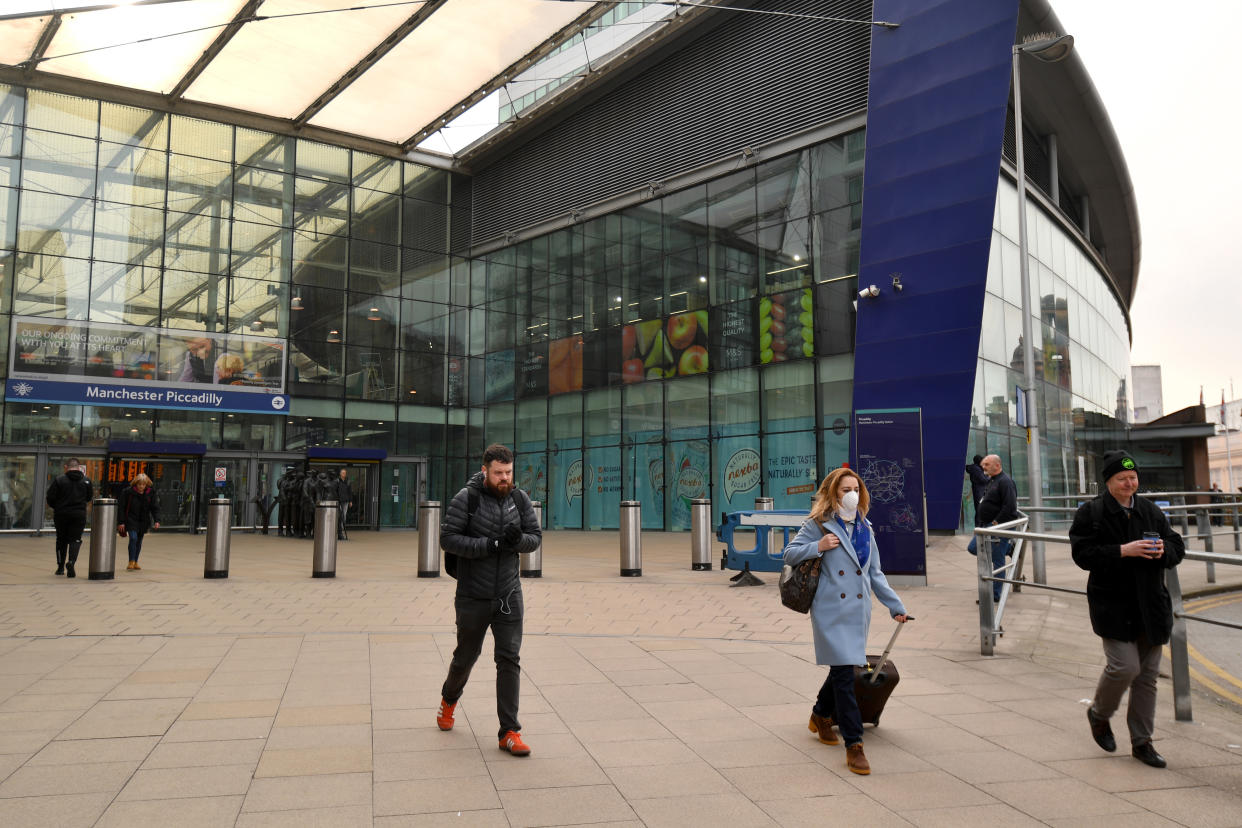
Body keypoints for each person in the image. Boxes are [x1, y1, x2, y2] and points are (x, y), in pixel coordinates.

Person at [783, 467, 910, 776]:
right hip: (830, 611)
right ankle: (854, 745)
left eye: (855, 488)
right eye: (844, 489)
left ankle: (820, 714)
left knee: (843, 667)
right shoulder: (818, 524)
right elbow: (789, 554)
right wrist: (819, 546)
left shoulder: (866, 528)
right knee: (844, 675)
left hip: (857, 612)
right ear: (833, 493)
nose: (851, 494)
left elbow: (875, 574)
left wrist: (896, 606)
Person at [1071, 450, 1184, 769]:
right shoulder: (1091, 513)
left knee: (1147, 677)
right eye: (1122, 478)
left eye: (1133, 478)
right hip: (1113, 605)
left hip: (1151, 604)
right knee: (1124, 666)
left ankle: (1142, 742)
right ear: (1108, 481)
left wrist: (1163, 551)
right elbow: (1083, 555)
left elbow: (1177, 546)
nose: (1129, 483)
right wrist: (1123, 551)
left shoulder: (1150, 511)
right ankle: (1099, 713)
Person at [436, 444, 541, 757]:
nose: (504, 478)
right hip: (473, 594)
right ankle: (448, 700)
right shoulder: (466, 499)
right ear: (485, 470)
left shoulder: (519, 499)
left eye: (508, 472)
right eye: (498, 473)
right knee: (466, 656)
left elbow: (535, 537)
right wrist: (490, 543)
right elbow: (448, 539)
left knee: (509, 658)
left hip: (509, 593)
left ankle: (509, 732)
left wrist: (517, 541)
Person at [974, 454, 1019, 601]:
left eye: (987, 464)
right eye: (983, 464)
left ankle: (994, 595)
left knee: (997, 560)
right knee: (973, 548)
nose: (983, 467)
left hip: (999, 527)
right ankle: (1008, 549)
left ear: (997, 465)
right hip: (986, 527)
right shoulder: (991, 480)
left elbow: (1010, 507)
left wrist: (996, 522)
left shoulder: (1005, 482)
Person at [45, 458, 93, 577]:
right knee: (75, 539)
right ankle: (71, 561)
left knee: (61, 540)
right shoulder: (86, 481)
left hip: (62, 514)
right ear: (78, 467)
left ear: (66, 467)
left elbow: (50, 497)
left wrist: (57, 506)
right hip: (79, 514)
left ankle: (60, 567)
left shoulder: (59, 480)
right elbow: (89, 497)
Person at [118, 473, 161, 571]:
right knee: (133, 538)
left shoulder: (151, 493)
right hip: (131, 519)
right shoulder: (128, 492)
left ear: (146, 485)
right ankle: (131, 561)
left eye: (143, 484)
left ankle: (136, 561)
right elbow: (121, 508)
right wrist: (121, 522)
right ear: (136, 484)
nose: (141, 486)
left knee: (139, 541)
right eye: (139, 484)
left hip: (143, 520)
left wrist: (157, 520)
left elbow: (155, 507)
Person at [333, 468, 353, 540]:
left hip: (346, 501)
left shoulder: (348, 481)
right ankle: (339, 529)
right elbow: (335, 491)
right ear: (340, 474)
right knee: (340, 515)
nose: (344, 474)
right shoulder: (337, 481)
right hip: (339, 501)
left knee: (344, 515)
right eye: (343, 473)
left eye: (345, 473)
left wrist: (350, 501)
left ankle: (341, 528)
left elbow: (350, 492)